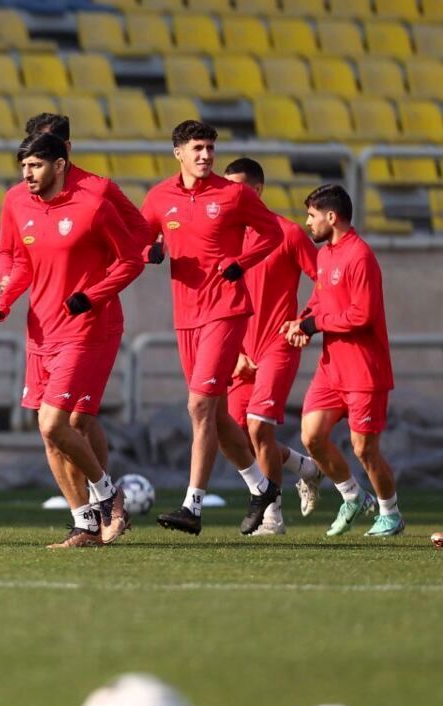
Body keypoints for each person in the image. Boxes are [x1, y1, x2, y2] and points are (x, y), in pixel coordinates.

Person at [0, 112, 157, 544]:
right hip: (41, 329)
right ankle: (85, 523)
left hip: (89, 326)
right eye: (24, 162)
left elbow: (136, 247)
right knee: (59, 432)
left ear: (63, 155)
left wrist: (96, 292)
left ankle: (109, 498)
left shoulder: (96, 196)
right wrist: (7, 294)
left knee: (62, 423)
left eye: (38, 160)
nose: (29, 171)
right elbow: (13, 256)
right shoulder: (17, 201)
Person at [140, 120, 283, 536]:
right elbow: (139, 238)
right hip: (187, 316)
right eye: (197, 148)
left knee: (199, 406)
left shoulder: (234, 194)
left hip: (226, 310)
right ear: (178, 153)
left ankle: (192, 506)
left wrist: (241, 262)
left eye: (209, 148)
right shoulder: (159, 197)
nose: (205, 155)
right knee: (216, 414)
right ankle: (261, 487)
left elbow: (271, 232)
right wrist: (148, 251)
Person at [283, 184, 403, 537]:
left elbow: (361, 315)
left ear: (331, 217)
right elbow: (321, 300)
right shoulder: (325, 255)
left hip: (365, 370)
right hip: (331, 368)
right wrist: (302, 321)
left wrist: (313, 323)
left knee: (365, 449)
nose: (307, 222)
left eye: (311, 215)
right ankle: (352, 495)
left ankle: (391, 513)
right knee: (312, 436)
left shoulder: (360, 256)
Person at [221, 158, 325, 536]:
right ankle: (306, 467)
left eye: (236, 187)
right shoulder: (226, 237)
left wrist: (305, 321)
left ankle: (272, 517)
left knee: (258, 426)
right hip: (238, 348)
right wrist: (230, 349)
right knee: (233, 433)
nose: (229, 194)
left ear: (257, 190)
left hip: (277, 345)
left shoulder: (287, 233)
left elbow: (324, 280)